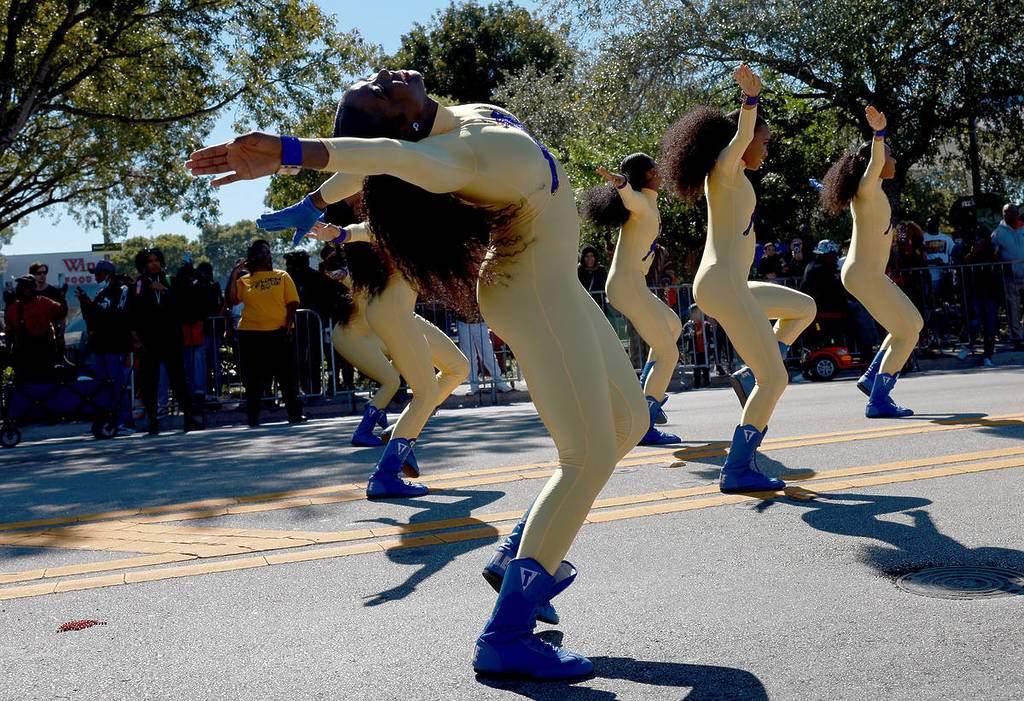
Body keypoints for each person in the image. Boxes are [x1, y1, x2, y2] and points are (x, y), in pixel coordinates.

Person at [188, 66, 650, 680]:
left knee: (631, 419)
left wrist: (317, 198)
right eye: (380, 93)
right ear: (405, 123)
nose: (385, 75)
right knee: (587, 454)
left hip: (555, 282)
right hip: (533, 289)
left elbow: (376, 162)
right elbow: (385, 155)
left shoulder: (455, 117)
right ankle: (508, 633)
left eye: (374, 81)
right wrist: (294, 154)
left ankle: (522, 551)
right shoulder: (448, 158)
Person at [659, 65, 815, 493]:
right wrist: (750, 102)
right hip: (722, 283)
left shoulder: (736, 177)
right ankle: (738, 467)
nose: (765, 149)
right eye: (762, 142)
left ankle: (748, 376)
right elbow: (742, 137)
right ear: (740, 144)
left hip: (730, 283)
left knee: (803, 308)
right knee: (777, 379)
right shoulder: (724, 171)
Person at [819, 106, 923, 417]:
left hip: (866, 273)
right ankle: (878, 399)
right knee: (907, 332)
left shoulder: (874, 191)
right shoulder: (867, 187)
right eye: (890, 157)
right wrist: (879, 134)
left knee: (912, 324)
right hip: (864, 273)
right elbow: (876, 160)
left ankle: (871, 378)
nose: (893, 161)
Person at [580, 153, 682, 444]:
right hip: (627, 285)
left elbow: (636, 199)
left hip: (631, 284)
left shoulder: (649, 202)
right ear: (648, 174)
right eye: (656, 168)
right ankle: (645, 420)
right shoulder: (639, 202)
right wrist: (622, 184)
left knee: (672, 326)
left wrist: (626, 186)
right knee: (669, 353)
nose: (661, 172)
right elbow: (631, 197)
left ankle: (644, 395)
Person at [226, 240, 305, 427]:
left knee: (287, 377)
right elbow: (231, 299)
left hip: (278, 333)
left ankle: (294, 414)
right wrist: (235, 272)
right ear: (253, 257)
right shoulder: (244, 280)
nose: (267, 256)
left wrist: (288, 325)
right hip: (251, 335)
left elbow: (292, 302)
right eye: (262, 253)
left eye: (268, 252)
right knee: (252, 379)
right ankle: (253, 418)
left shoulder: (282, 276)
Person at [129, 248, 201, 434]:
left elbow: (180, 303)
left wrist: (164, 290)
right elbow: (132, 312)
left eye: (156, 260)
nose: (154, 264)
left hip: (171, 339)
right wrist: (136, 338)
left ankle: (188, 416)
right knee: (149, 381)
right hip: (149, 341)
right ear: (144, 264)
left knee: (178, 379)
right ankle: (153, 420)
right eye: (150, 261)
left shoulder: (169, 280)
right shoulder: (139, 284)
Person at [77, 260, 134, 432]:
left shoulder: (122, 290)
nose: (96, 276)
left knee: (118, 384)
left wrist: (92, 306)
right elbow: (93, 319)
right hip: (100, 347)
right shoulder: (101, 293)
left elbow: (117, 316)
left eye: (98, 273)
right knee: (103, 386)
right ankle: (106, 421)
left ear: (108, 273)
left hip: (115, 346)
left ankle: (125, 421)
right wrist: (85, 302)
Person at [4, 276, 66, 383]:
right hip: (24, 357)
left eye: (24, 287)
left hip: (44, 354)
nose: (21, 289)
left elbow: (61, 313)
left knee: (43, 386)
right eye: (20, 286)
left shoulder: (44, 303)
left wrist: (61, 297)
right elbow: (9, 333)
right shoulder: (14, 308)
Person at [957, 226, 1002, 366]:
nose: (978, 240)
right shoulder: (970, 249)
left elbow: (998, 265)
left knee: (989, 327)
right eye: (976, 237)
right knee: (975, 323)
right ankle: (969, 346)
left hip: (991, 293)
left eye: (980, 237)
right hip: (976, 292)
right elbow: (963, 263)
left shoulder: (992, 250)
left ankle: (987, 355)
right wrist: (973, 252)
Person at [455, 308, 513, 394]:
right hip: (463, 320)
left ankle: (499, 380)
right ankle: (473, 384)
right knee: (469, 356)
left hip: (479, 320)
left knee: (487, 352)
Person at [991, 203, 1024, 350]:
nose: (1008, 214)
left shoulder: (1023, 228)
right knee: (1013, 308)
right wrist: (1001, 268)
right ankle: (1017, 337)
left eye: (1012, 212)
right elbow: (994, 254)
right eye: (1006, 212)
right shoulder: (998, 233)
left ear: (1017, 213)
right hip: (1011, 277)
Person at [27, 261, 68, 357]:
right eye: (39, 273)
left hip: (50, 338)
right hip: (32, 339)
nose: (42, 275)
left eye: (44, 272)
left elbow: (62, 316)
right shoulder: (28, 294)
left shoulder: (54, 292)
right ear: (32, 275)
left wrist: (61, 336)